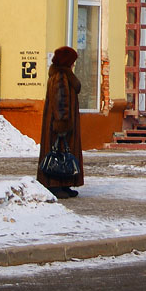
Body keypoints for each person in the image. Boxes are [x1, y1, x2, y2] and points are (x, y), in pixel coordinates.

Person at [37, 46, 84, 199]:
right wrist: (62, 123)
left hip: (62, 122)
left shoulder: (62, 75)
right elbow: (60, 101)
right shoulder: (61, 77)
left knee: (64, 152)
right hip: (59, 123)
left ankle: (65, 183)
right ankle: (54, 184)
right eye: (72, 61)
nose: (73, 65)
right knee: (59, 153)